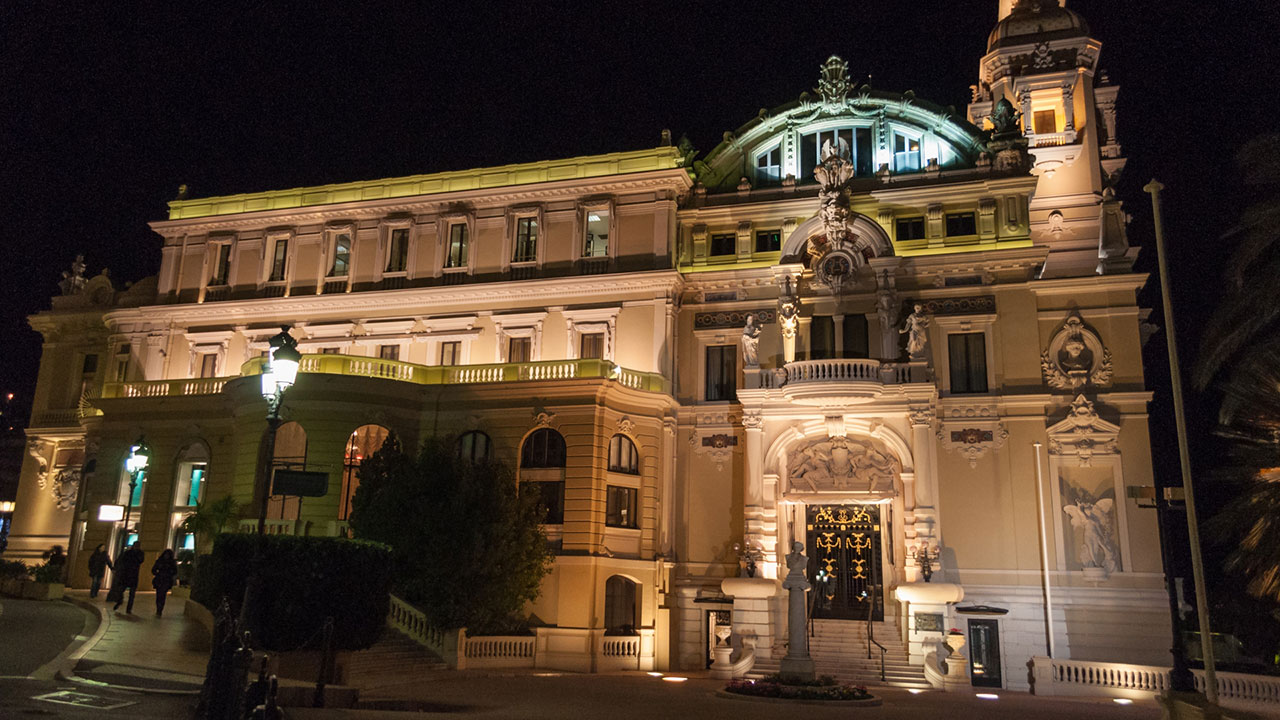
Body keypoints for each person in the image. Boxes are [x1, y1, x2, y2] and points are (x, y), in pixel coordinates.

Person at [112, 541, 145, 614]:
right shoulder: (128, 553)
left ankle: (128, 609)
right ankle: (119, 601)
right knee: (121, 591)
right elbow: (122, 561)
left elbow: (140, 561)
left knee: (132, 594)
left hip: (133, 575)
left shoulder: (140, 553)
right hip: (126, 574)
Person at [151, 549, 179, 617]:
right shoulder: (160, 561)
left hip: (166, 580)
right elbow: (153, 569)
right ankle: (158, 609)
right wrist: (157, 574)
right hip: (160, 579)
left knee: (162, 595)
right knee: (159, 595)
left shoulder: (171, 563)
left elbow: (175, 571)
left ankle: (160, 610)